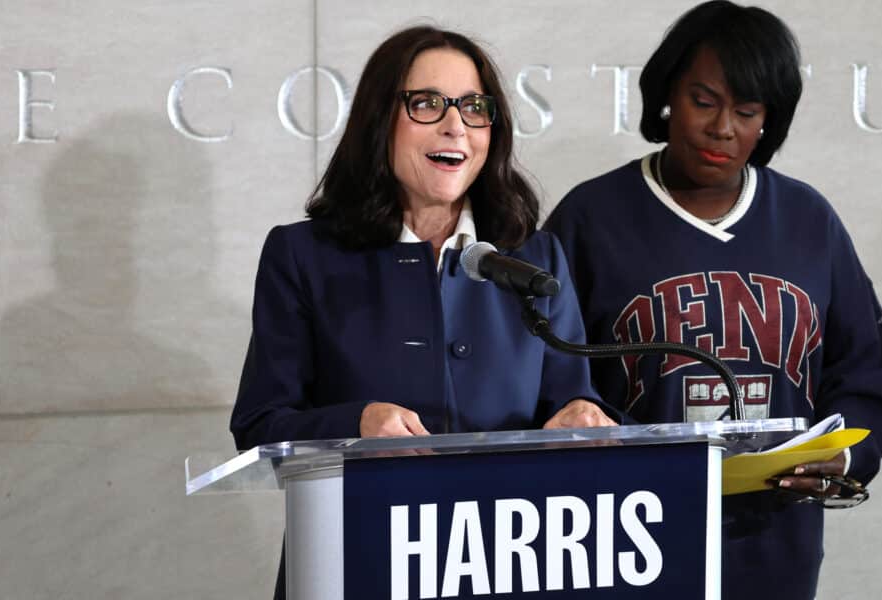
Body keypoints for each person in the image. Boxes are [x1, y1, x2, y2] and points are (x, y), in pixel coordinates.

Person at [230, 25, 618, 599]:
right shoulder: (304, 256)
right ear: (379, 120)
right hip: (357, 561)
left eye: (473, 107)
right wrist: (356, 425)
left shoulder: (533, 257)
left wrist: (583, 414)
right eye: (427, 103)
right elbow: (260, 426)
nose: (455, 124)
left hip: (510, 565)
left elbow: (568, 401)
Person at [544, 2, 882, 598]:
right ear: (667, 96)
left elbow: (868, 368)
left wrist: (841, 456)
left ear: (769, 120)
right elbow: (541, 373)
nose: (723, 128)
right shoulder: (590, 218)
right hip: (627, 537)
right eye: (704, 101)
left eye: (746, 110)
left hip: (775, 543)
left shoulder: (808, 220)